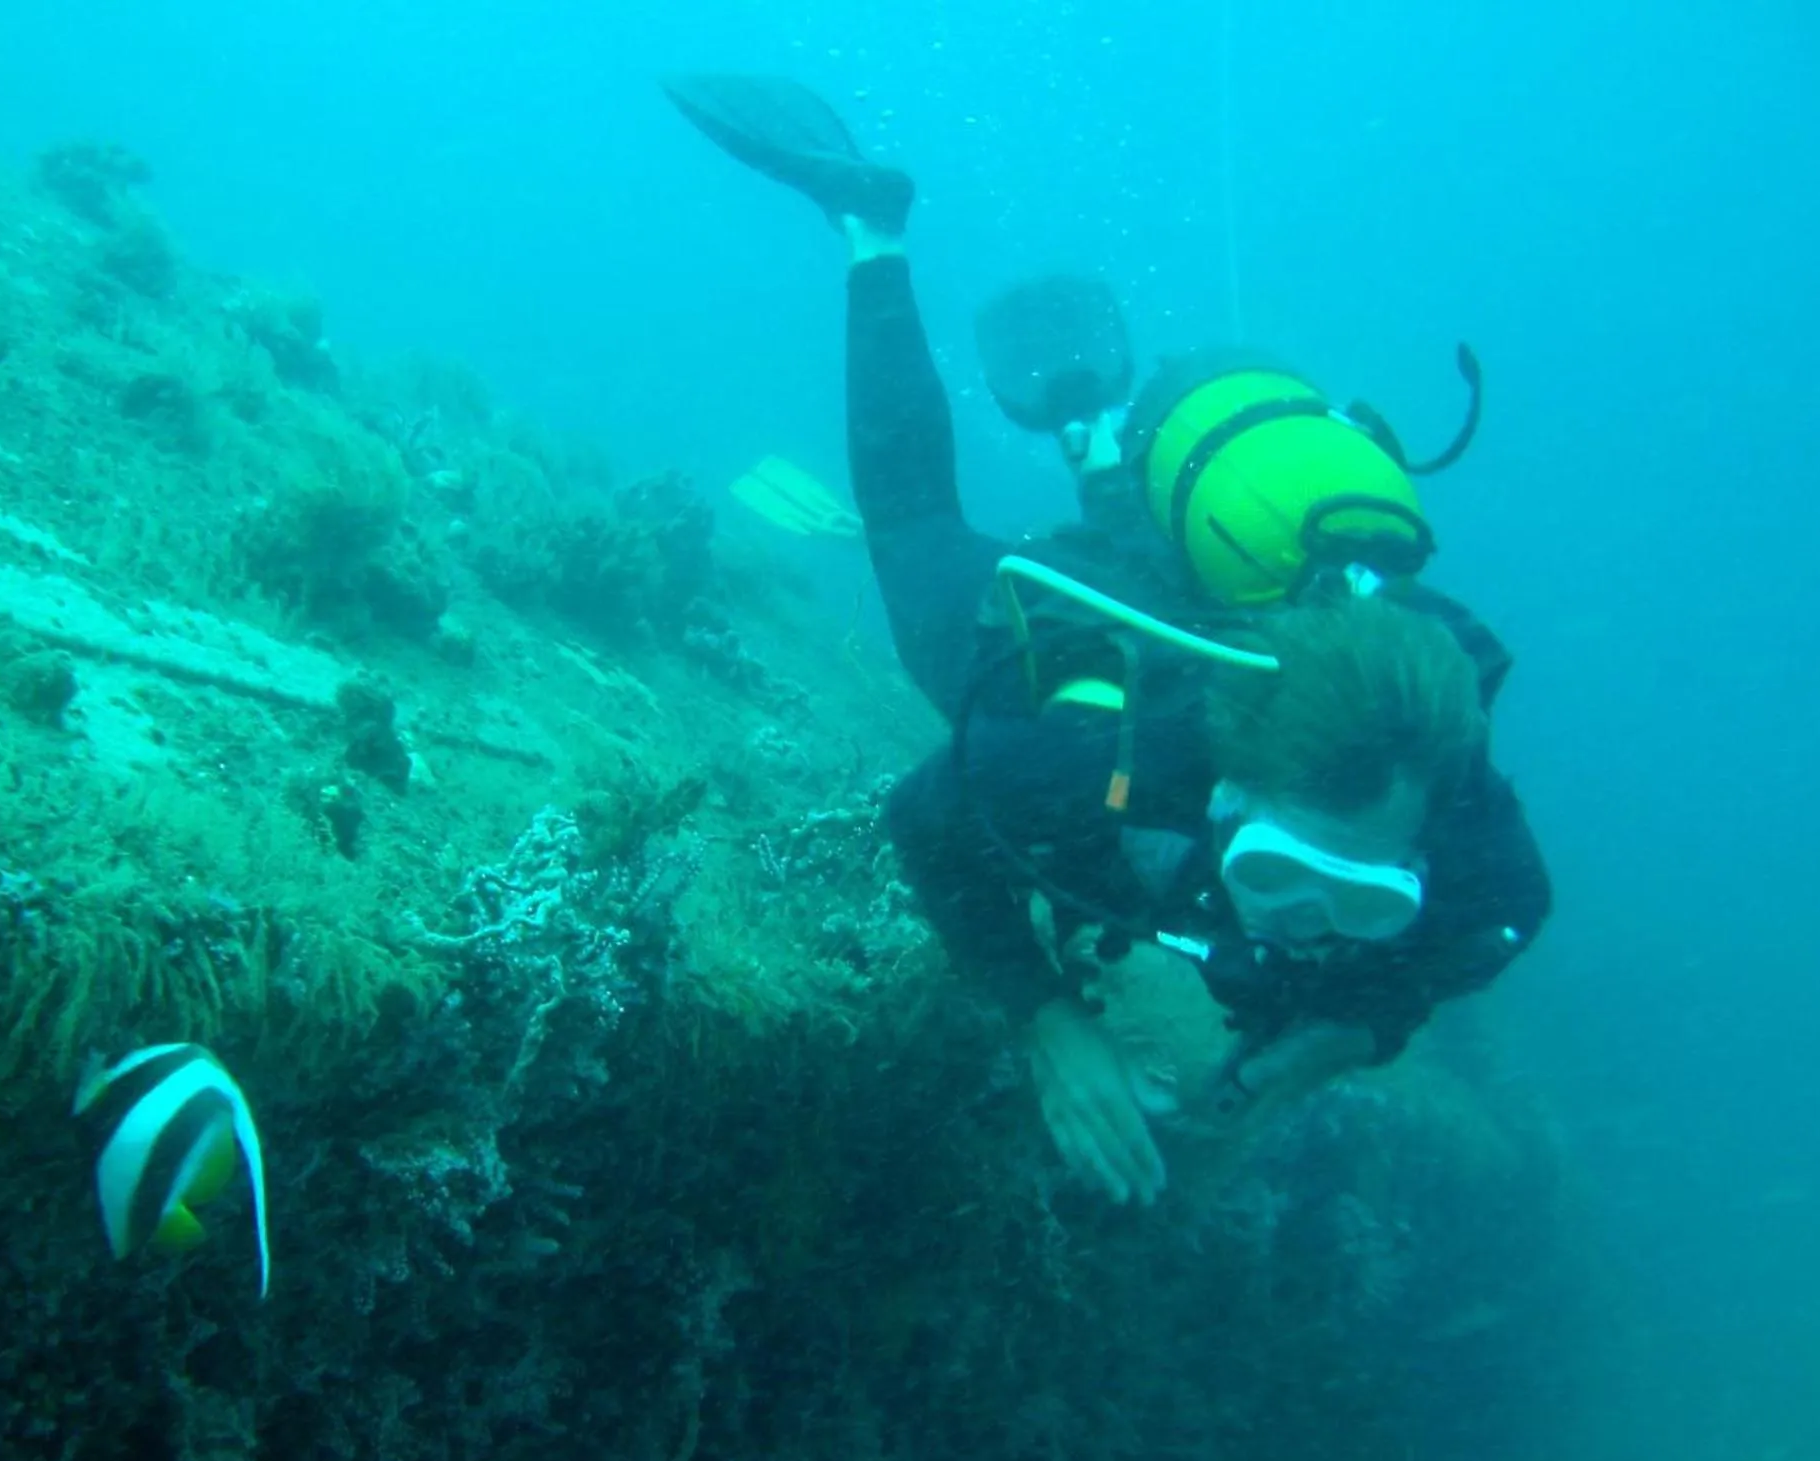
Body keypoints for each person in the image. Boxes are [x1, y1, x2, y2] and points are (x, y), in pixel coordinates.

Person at [664, 75, 1552, 1205]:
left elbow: (1504, 918)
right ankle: (869, 231)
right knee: (912, 532)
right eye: (1277, 871)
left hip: (1240, 616)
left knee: (1144, 564)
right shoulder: (1076, 756)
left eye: (1370, 896)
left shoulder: (1452, 799)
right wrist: (1048, 1022)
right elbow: (926, 825)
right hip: (1104, 645)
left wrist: (1337, 1035)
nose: (1312, 930)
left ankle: (1097, 449)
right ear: (1224, 790)